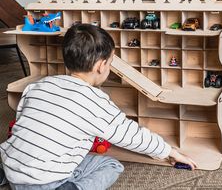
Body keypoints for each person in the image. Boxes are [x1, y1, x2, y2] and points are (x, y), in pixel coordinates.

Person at [0, 24, 196, 189]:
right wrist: (171, 152)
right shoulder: (94, 101)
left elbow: (23, 115)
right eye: (110, 63)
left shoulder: (39, 85)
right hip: (44, 182)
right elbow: (131, 135)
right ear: (102, 66)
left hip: (11, 167)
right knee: (111, 165)